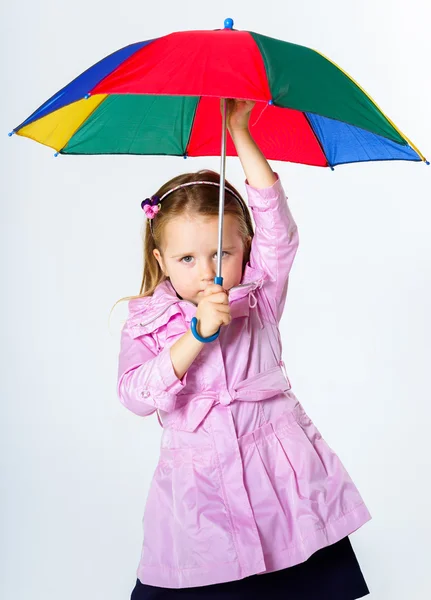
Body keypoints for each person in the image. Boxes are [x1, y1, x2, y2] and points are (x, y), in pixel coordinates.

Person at [115, 99, 372, 599]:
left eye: (222, 253)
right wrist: (195, 338)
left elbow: (280, 232)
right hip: (201, 493)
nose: (205, 267)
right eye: (186, 257)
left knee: (300, 581)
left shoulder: (259, 297)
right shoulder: (146, 321)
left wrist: (241, 134)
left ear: (245, 250)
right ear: (160, 258)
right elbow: (134, 395)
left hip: (280, 479)